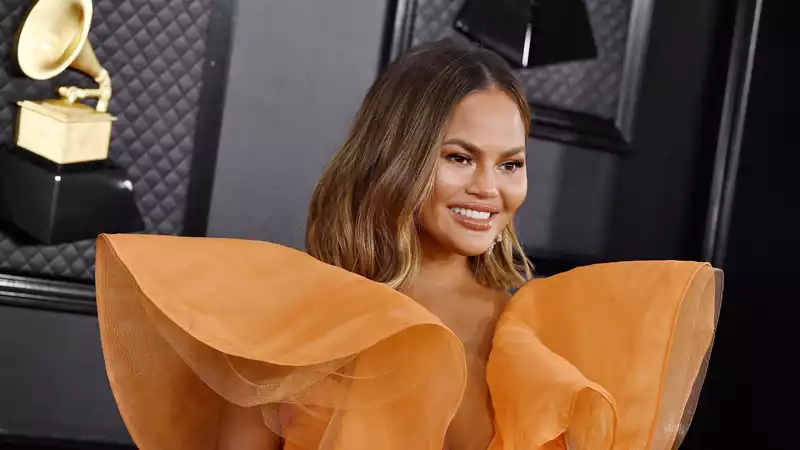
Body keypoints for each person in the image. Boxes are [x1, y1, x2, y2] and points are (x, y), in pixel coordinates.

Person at [93, 39, 721, 450]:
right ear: (396, 158)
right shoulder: (299, 318)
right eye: (458, 157)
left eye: (509, 164)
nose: (488, 189)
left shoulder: (545, 331)